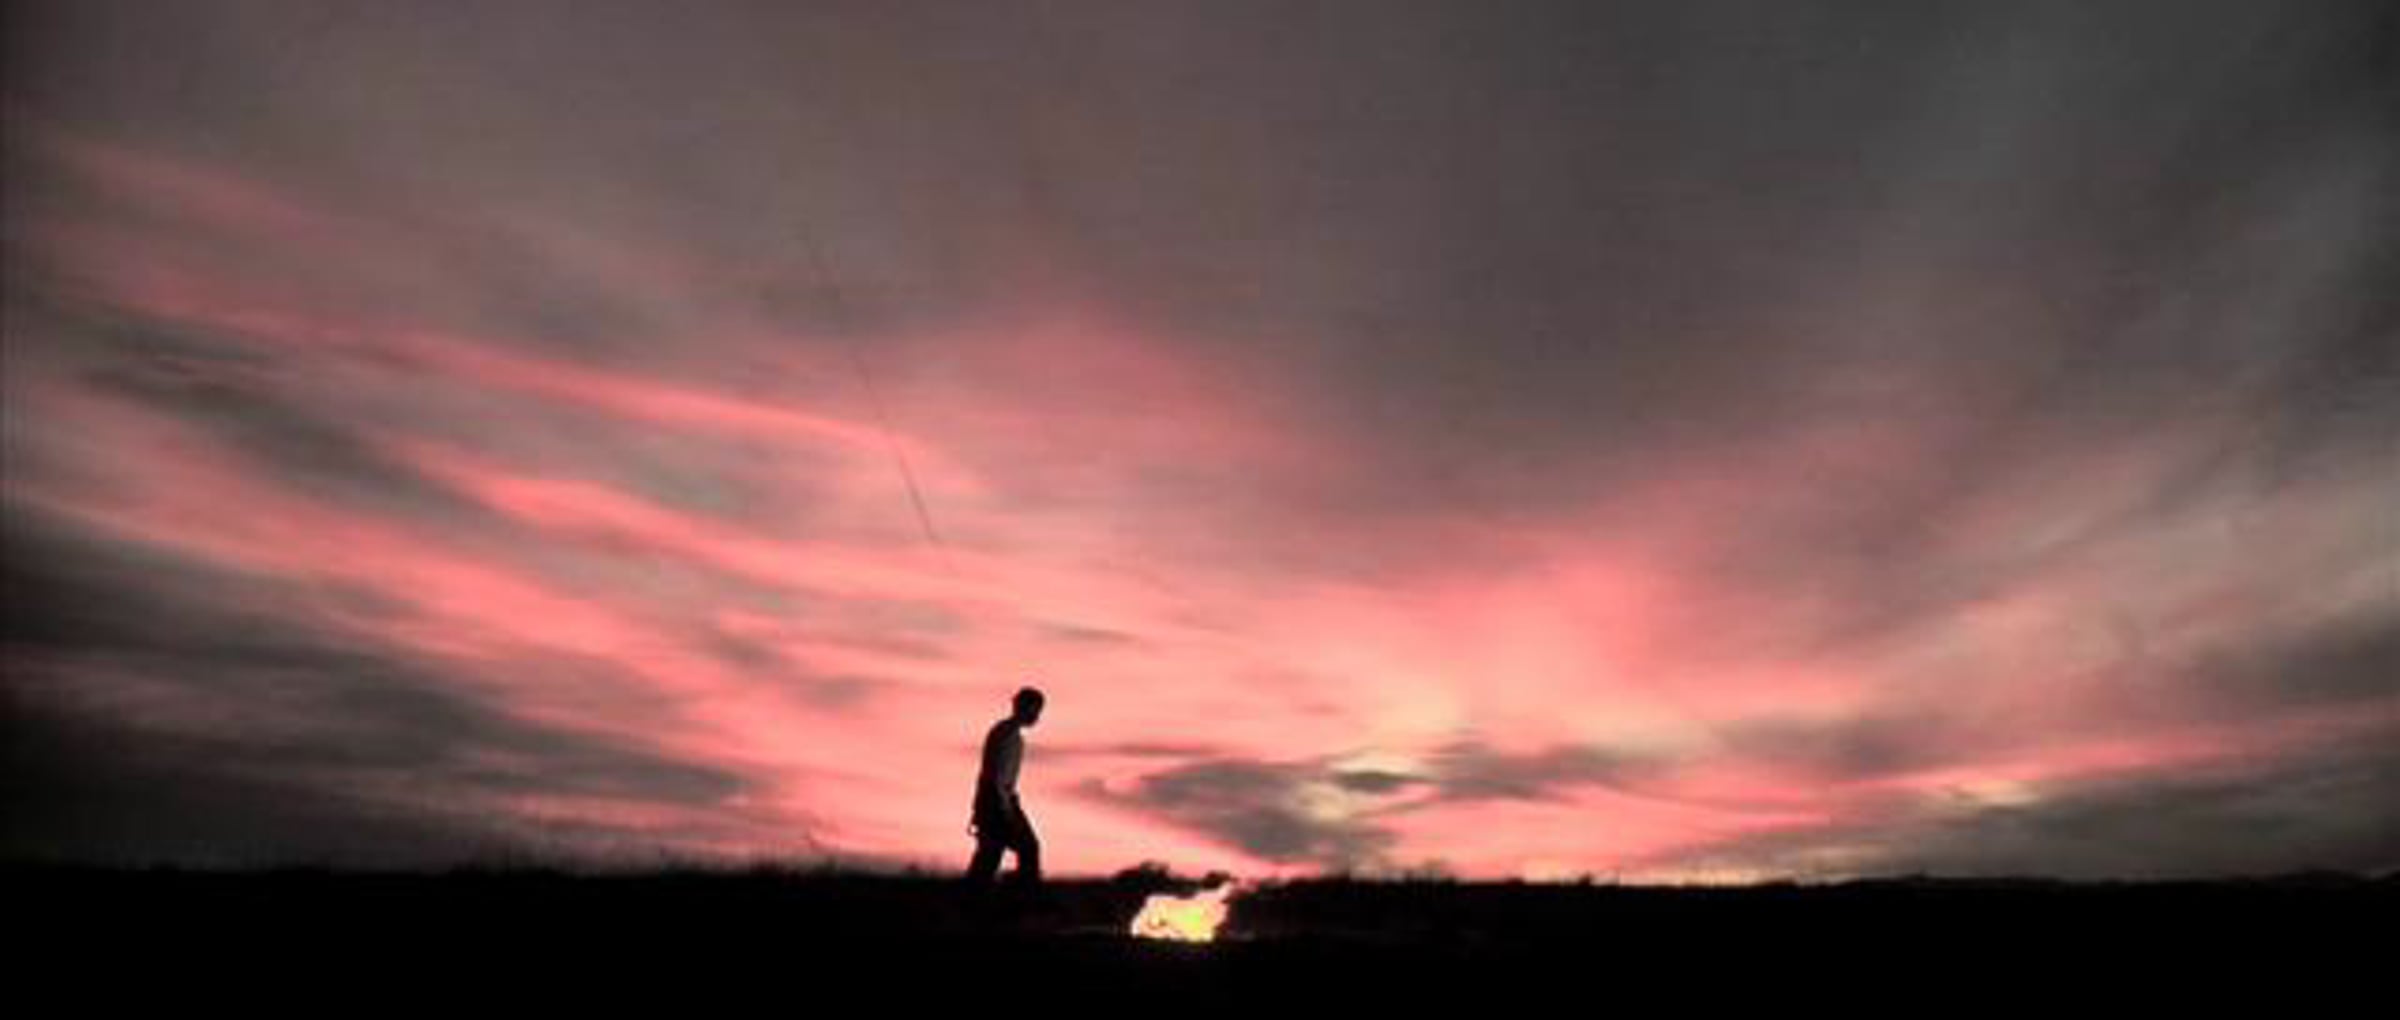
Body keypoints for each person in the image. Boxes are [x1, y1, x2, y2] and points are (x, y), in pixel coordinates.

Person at [966, 686, 1045, 885]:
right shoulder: (1006, 734)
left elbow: (991, 774)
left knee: (990, 856)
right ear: (1023, 707)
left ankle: (977, 896)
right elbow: (996, 775)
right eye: (1035, 710)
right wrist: (1005, 808)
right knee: (1026, 849)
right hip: (998, 802)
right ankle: (1022, 895)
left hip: (996, 801)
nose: (1037, 716)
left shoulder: (1010, 735)